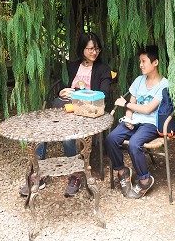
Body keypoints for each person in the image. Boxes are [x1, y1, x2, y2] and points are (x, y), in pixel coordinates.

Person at [19, 32, 112, 198]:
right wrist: (62, 90)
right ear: (81, 49)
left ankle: (74, 175)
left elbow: (104, 93)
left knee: (68, 136)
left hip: (87, 112)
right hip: (65, 108)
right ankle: (38, 173)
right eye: (90, 49)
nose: (94, 52)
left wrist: (76, 92)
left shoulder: (103, 69)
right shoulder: (73, 66)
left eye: (97, 48)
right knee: (42, 130)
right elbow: (63, 86)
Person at [106, 44, 169, 199]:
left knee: (134, 144)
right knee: (111, 139)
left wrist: (126, 104)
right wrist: (128, 117)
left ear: (155, 63)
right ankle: (122, 171)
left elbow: (148, 109)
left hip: (151, 124)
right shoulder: (139, 80)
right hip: (134, 121)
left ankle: (145, 180)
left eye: (143, 61)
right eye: (140, 62)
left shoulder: (164, 85)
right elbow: (132, 103)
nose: (140, 65)